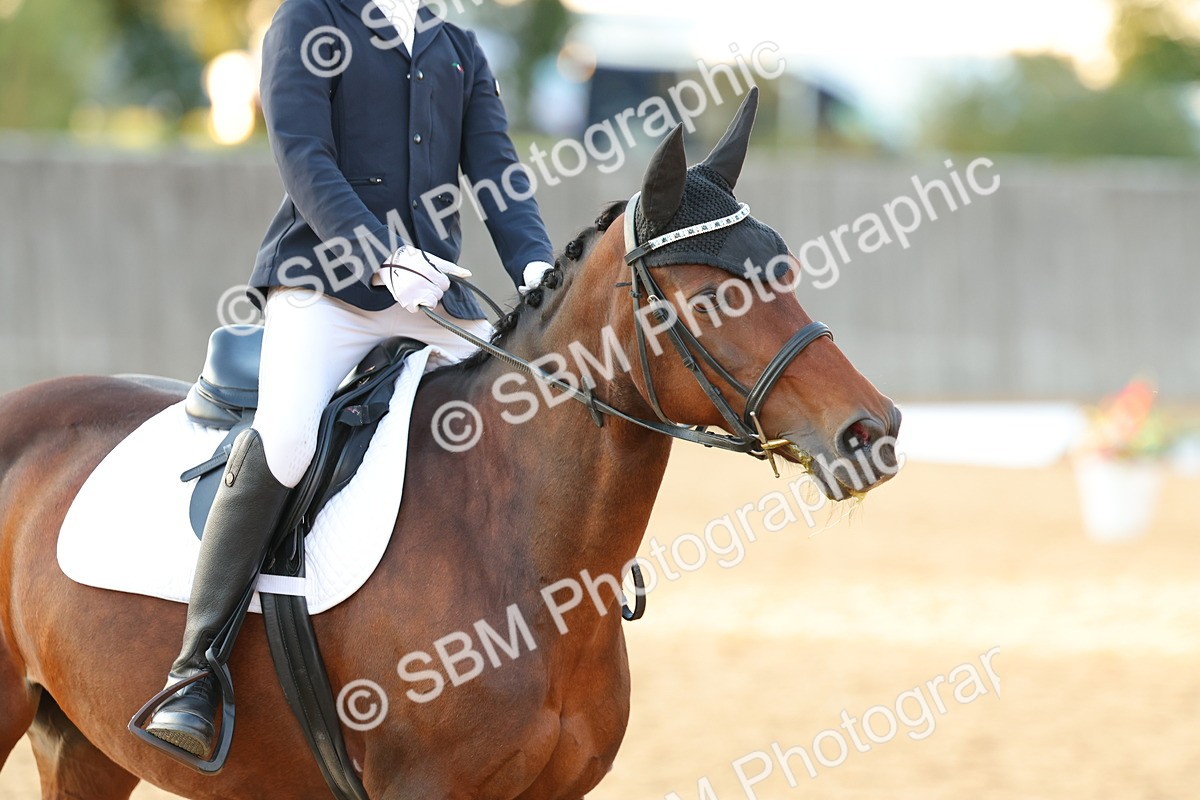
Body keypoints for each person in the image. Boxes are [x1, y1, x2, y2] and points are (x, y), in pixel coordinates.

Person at [143, 0, 554, 758]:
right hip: (325, 285)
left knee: (527, 410)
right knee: (287, 438)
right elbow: (304, 155)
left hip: (432, 293)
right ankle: (193, 669)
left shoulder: (455, 43)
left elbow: (496, 169)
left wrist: (535, 263)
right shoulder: (308, 20)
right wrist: (380, 255)